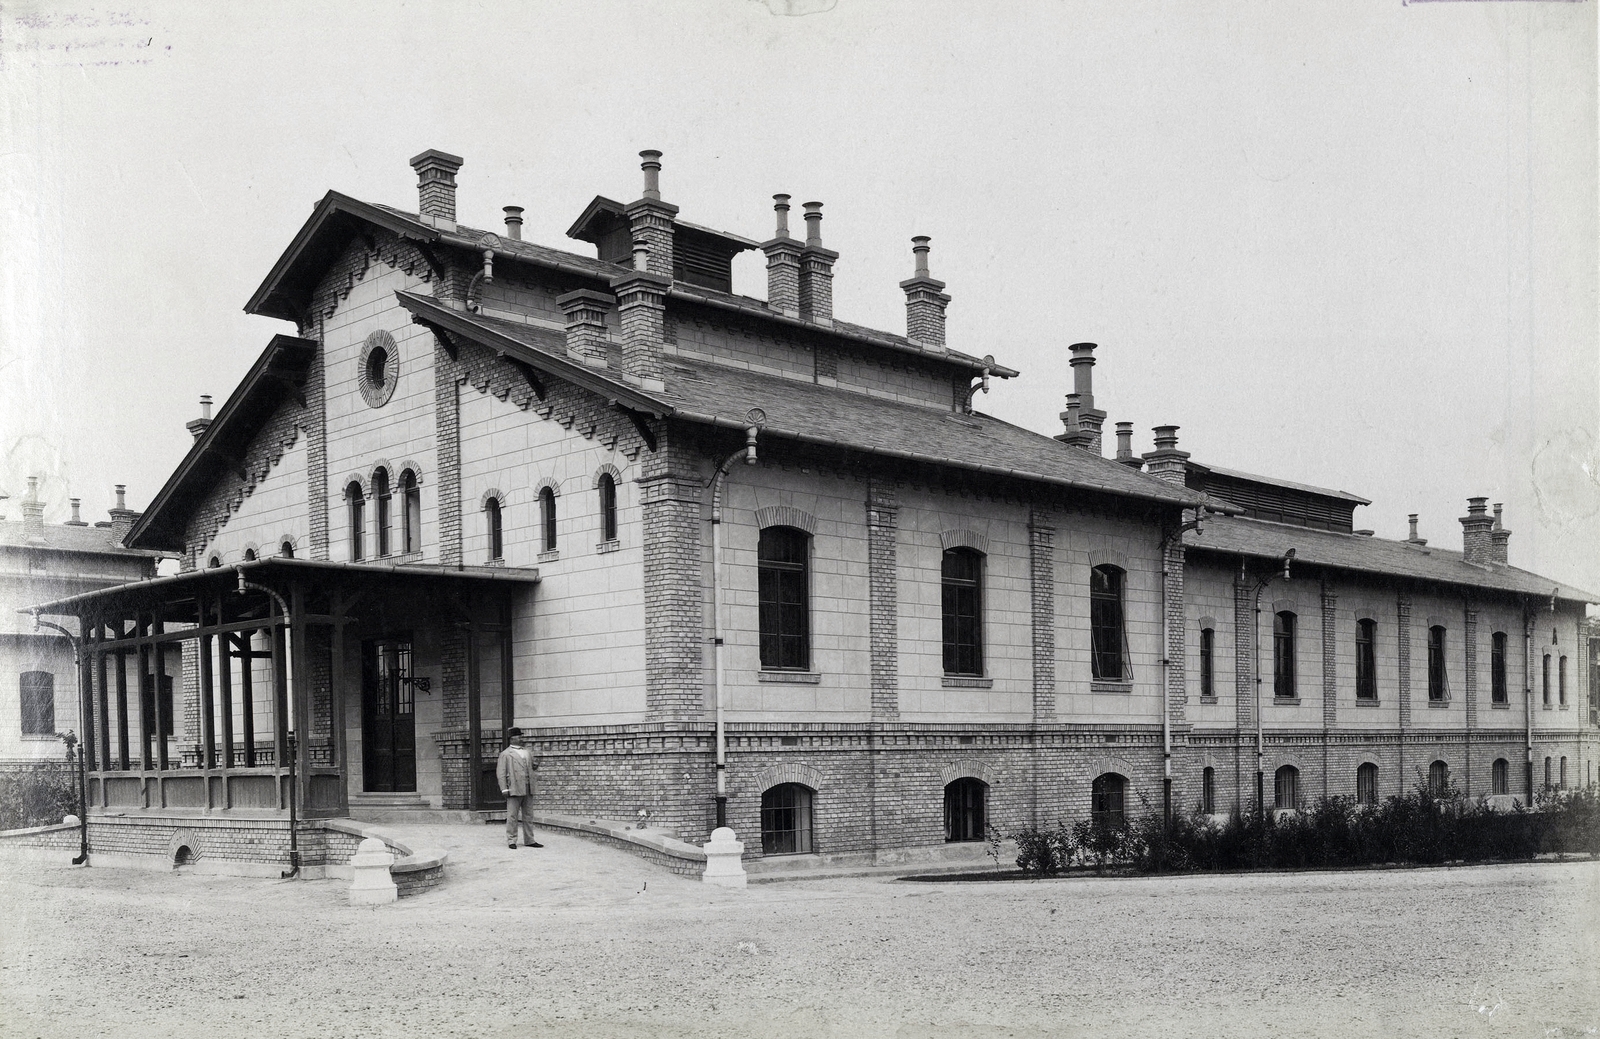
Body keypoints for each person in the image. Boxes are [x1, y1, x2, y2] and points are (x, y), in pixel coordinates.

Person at [496, 727, 543, 849]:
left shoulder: (527, 752)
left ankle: (530, 839)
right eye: (519, 736)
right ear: (512, 738)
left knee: (528, 815)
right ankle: (512, 840)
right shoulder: (506, 754)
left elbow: (531, 767)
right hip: (514, 787)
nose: (521, 738)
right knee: (512, 815)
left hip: (528, 787)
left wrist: (535, 765)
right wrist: (504, 789)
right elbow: (501, 773)